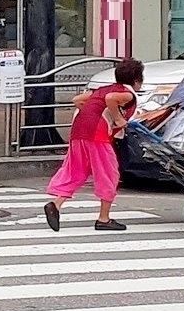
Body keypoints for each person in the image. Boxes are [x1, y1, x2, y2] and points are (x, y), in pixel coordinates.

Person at [43, 58, 144, 232]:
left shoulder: (103, 89)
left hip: (78, 132)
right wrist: (118, 119)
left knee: (77, 170)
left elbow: (78, 100)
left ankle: (56, 204)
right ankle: (103, 219)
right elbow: (112, 99)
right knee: (109, 173)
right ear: (136, 81)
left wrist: (94, 113)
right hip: (97, 136)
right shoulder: (127, 94)